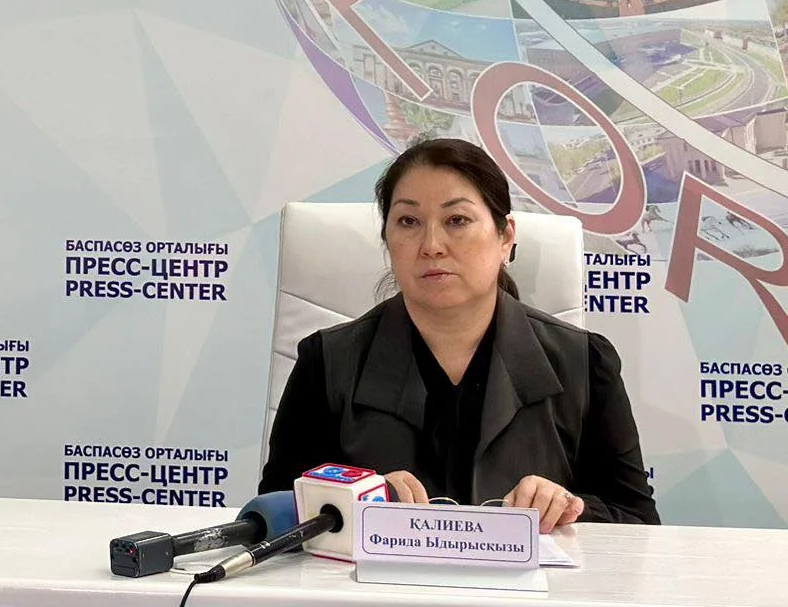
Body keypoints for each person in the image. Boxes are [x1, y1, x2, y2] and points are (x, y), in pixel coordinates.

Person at [258, 137, 658, 531]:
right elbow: (276, 516)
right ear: (387, 241)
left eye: (457, 220)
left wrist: (569, 508)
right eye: (409, 221)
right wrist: (354, 498)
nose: (431, 245)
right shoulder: (327, 363)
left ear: (506, 237)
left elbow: (638, 522)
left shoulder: (583, 362)